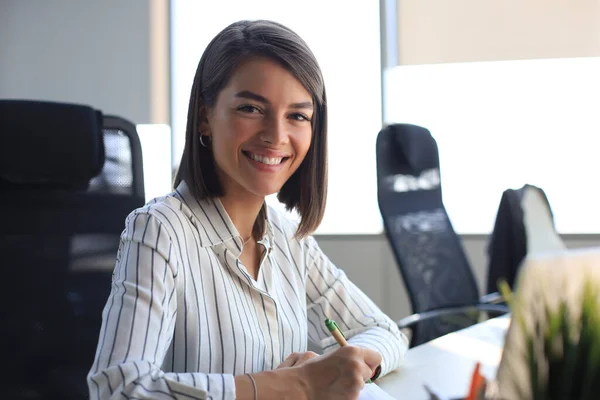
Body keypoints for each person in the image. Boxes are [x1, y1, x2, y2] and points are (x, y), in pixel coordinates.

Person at [87, 19, 408, 400]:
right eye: (251, 108)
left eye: (297, 115)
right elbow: (120, 390)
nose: (276, 135)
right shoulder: (159, 230)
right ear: (205, 117)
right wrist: (296, 385)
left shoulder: (288, 236)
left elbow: (383, 329)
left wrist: (351, 364)